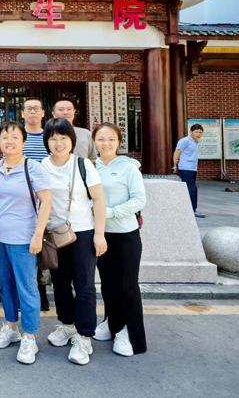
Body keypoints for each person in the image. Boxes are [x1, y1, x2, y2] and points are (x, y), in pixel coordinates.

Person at [41, 118, 107, 366]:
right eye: (53, 138)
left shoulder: (83, 165)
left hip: (83, 233)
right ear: (47, 142)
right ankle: (67, 325)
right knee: (59, 283)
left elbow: (99, 200)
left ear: (72, 140)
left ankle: (85, 336)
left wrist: (99, 234)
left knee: (84, 285)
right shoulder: (42, 166)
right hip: (54, 235)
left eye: (63, 138)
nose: (58, 143)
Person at [0, 122, 52, 365]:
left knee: (27, 288)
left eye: (15, 137)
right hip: (0, 238)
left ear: (23, 142)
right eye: (5, 137)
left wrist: (37, 234)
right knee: (5, 285)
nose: (9, 141)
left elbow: (46, 202)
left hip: (24, 239)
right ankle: (11, 326)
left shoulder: (33, 167)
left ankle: (30, 336)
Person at [92, 123, 147, 357]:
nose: (106, 143)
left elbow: (139, 200)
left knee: (127, 285)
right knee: (108, 284)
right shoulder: (90, 167)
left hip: (125, 235)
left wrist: (109, 213)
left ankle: (128, 332)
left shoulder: (129, 168)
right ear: (94, 141)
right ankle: (112, 322)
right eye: (101, 139)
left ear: (118, 142)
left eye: (111, 139)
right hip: (100, 235)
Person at [20, 98, 50, 311]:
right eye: (28, 108)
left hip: (46, 197)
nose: (32, 111)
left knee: (45, 244)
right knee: (27, 246)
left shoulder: (49, 137)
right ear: (22, 113)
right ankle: (30, 291)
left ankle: (42, 289)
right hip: (23, 199)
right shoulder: (18, 136)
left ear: (42, 113)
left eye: (36, 108)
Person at [174, 124, 205, 218]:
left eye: (200, 132)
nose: (198, 134)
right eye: (196, 132)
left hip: (192, 168)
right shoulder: (185, 141)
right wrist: (175, 167)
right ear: (191, 132)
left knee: (189, 188)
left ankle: (186, 209)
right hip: (185, 168)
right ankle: (192, 210)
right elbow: (177, 153)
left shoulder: (195, 142)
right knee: (192, 189)